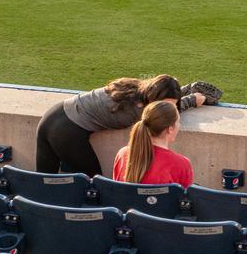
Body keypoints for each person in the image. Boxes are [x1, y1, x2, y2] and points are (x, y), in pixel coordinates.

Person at [36, 75, 207, 176]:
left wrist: (182, 92)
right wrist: (192, 100)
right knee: (93, 183)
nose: (169, 107)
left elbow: (161, 102)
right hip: (66, 131)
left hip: (52, 116)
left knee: (42, 184)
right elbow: (161, 116)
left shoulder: (138, 89)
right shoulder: (136, 110)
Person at [112, 100, 194, 186]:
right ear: (170, 129)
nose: (179, 125)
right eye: (178, 122)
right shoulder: (181, 164)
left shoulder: (122, 154)